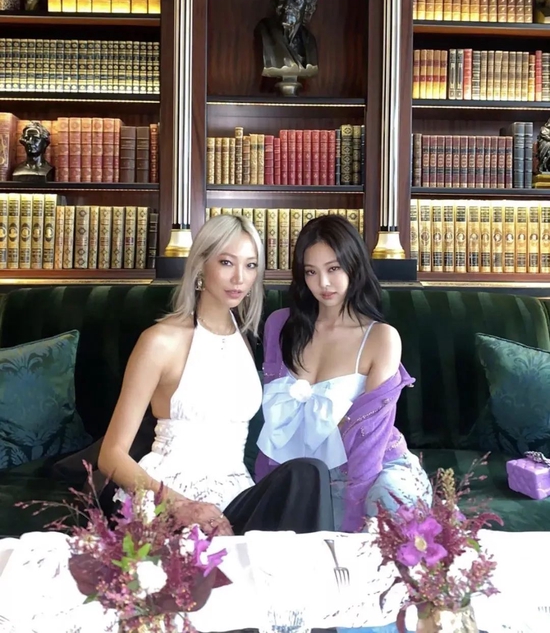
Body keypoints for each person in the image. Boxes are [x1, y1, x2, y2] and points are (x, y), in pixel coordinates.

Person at [98, 213, 334, 536]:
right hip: (170, 497)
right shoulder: (160, 341)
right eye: (226, 262)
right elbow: (110, 456)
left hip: (235, 498)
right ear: (200, 265)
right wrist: (181, 505)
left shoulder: (246, 339)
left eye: (250, 265)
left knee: (309, 473)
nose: (239, 278)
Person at [255, 215, 432, 532]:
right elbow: (276, 427)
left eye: (334, 268)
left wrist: (352, 521)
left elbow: (369, 444)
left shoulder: (381, 338)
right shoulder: (279, 326)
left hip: (375, 470)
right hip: (308, 474)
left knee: (388, 508)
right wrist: (267, 490)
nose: (323, 283)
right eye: (311, 271)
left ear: (354, 266)